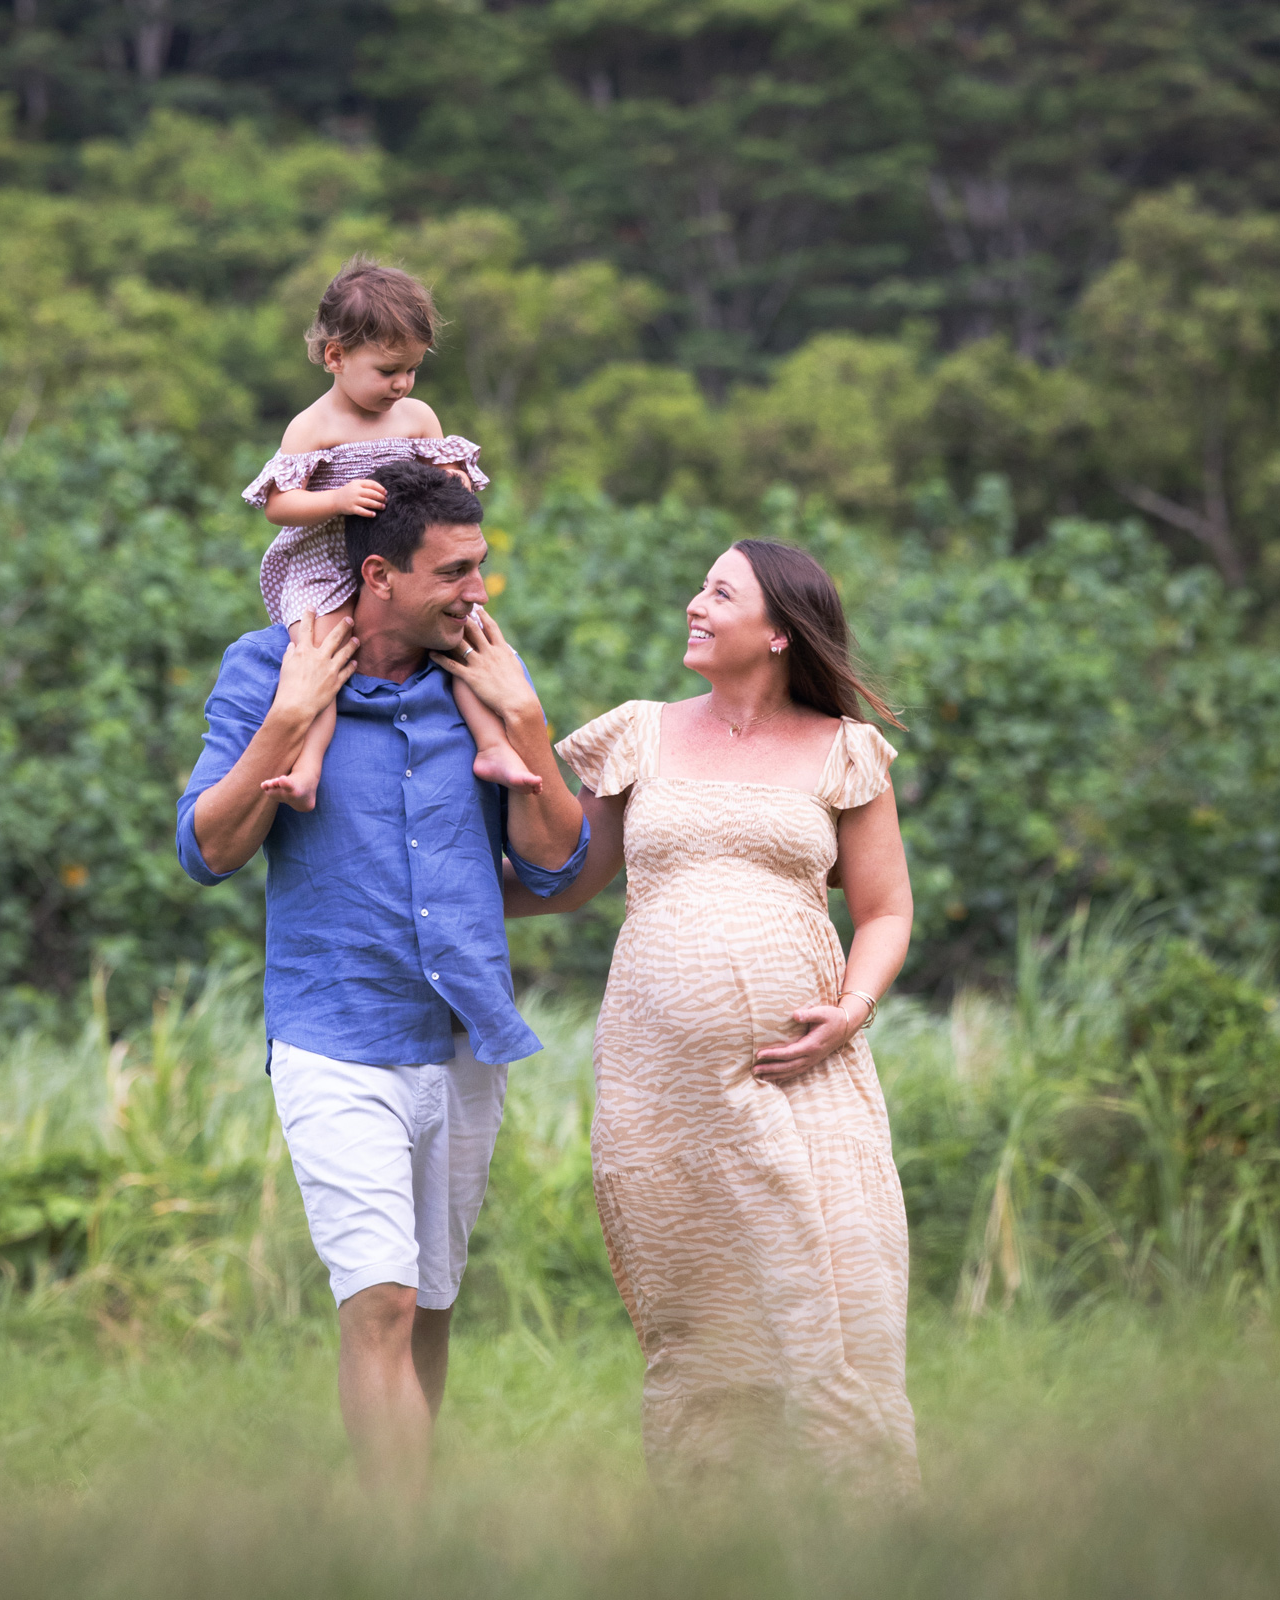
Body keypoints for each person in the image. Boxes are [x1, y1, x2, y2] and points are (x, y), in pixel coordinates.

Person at [176, 459, 588, 1498]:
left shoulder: (482, 676)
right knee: (383, 1304)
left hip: (461, 1042)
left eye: (481, 567)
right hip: (330, 1035)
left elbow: (557, 864)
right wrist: (287, 717)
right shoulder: (267, 668)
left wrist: (525, 718)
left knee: (433, 1304)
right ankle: (393, 1545)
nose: (477, 592)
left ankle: (415, 1531)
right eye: (454, 572)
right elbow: (205, 850)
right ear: (377, 576)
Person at [510, 538, 919, 1495]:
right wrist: (424, 895)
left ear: (778, 633)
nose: (695, 603)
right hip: (666, 1098)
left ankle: (876, 1537)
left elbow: (887, 909)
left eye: (719, 592)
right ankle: (713, 1549)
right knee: (704, 1335)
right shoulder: (639, 735)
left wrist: (852, 1010)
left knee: (845, 1304)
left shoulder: (845, 751)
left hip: (809, 1080)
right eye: (700, 585)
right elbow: (569, 884)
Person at [241, 253, 540, 810]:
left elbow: (440, 479)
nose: (401, 384)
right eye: (387, 371)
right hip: (328, 557)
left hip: (405, 558)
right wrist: (337, 499)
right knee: (323, 655)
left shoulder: (417, 417)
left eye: (411, 370)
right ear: (336, 356)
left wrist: (451, 477)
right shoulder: (313, 426)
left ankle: (494, 744)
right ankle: (307, 767)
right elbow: (279, 505)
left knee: (466, 637)